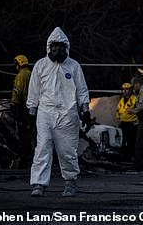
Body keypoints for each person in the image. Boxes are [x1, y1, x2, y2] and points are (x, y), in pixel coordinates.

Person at [26, 27, 90, 197]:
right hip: (45, 112)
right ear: (49, 47)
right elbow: (34, 89)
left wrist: (85, 108)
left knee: (67, 150)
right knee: (43, 148)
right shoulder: (41, 65)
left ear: (66, 48)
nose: (57, 50)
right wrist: (31, 109)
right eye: (54, 46)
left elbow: (82, 89)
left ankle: (70, 182)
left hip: (68, 114)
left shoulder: (73, 66)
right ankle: (39, 184)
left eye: (61, 47)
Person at [116, 82, 138, 161]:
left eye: (127, 89)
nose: (124, 91)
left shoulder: (134, 99)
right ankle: (123, 156)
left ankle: (130, 157)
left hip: (131, 123)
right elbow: (118, 109)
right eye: (123, 89)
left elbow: (138, 109)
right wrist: (118, 116)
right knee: (122, 140)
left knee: (131, 141)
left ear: (130, 90)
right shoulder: (122, 100)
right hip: (123, 122)